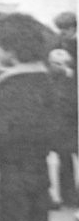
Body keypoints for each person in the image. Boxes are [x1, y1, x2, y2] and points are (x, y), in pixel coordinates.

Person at [0, 13, 60, 221]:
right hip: (39, 169)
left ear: (11, 51)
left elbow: (2, 132)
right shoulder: (44, 79)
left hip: (13, 171)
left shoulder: (9, 86)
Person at [48, 48, 78, 208]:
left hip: (71, 125)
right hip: (58, 126)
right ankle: (64, 196)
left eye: (64, 63)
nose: (61, 67)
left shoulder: (72, 80)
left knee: (67, 160)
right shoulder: (48, 79)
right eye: (57, 64)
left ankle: (70, 195)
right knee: (62, 160)